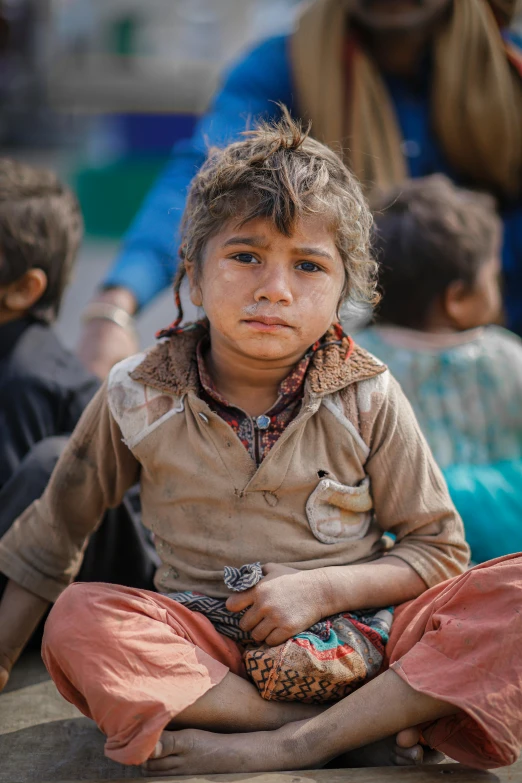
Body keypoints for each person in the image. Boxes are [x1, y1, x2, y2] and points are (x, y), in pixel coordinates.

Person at [1, 116, 521, 775]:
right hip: (206, 646)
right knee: (79, 620)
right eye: (245, 256)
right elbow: (55, 530)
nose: (275, 287)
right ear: (191, 275)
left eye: (308, 265)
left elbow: (439, 551)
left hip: (369, 639)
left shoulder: (368, 394)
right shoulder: (136, 392)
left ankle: (295, 742)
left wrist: (317, 591)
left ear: (343, 295)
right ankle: (336, 725)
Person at [77, 0, 522, 379]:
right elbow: (207, 181)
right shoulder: (284, 68)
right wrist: (115, 303)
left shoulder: (510, 71)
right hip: (346, 354)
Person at [0, 158, 157, 616]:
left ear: (22, 290)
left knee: (49, 465)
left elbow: (19, 526)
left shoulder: (26, 379)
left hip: (109, 578)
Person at [356, 176, 522, 564]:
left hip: (401, 558)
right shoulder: (508, 357)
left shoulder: (354, 360)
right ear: (458, 298)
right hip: (506, 555)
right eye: (492, 275)